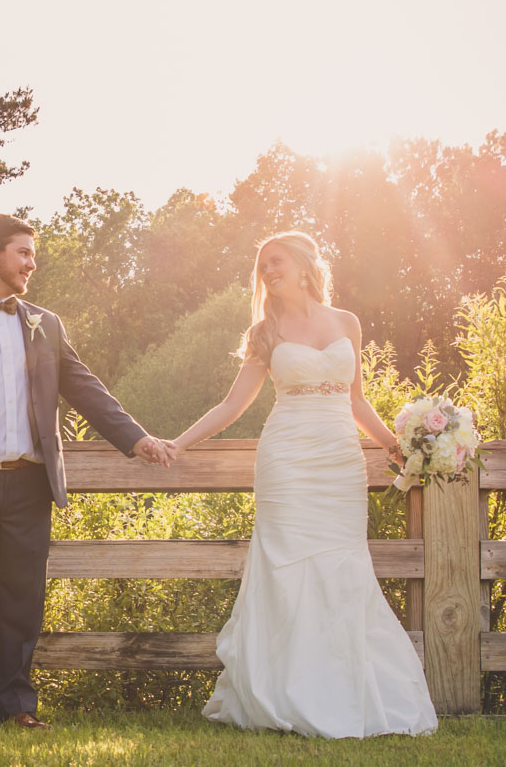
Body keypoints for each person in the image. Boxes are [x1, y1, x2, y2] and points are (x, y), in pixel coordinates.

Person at [0, 213, 177, 731]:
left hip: (30, 487)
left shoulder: (45, 324)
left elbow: (86, 387)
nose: (32, 263)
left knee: (23, 602)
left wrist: (136, 438)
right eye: (24, 253)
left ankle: (16, 706)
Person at [169, 231, 438, 737]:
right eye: (262, 265)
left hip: (339, 459)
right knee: (287, 568)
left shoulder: (346, 323)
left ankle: (342, 692)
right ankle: (283, 693)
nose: (268, 271)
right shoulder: (265, 332)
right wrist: (178, 443)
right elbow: (232, 406)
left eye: (276, 262)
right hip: (288, 459)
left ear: (302, 264)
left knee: (343, 568)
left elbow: (357, 401)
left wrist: (395, 446)